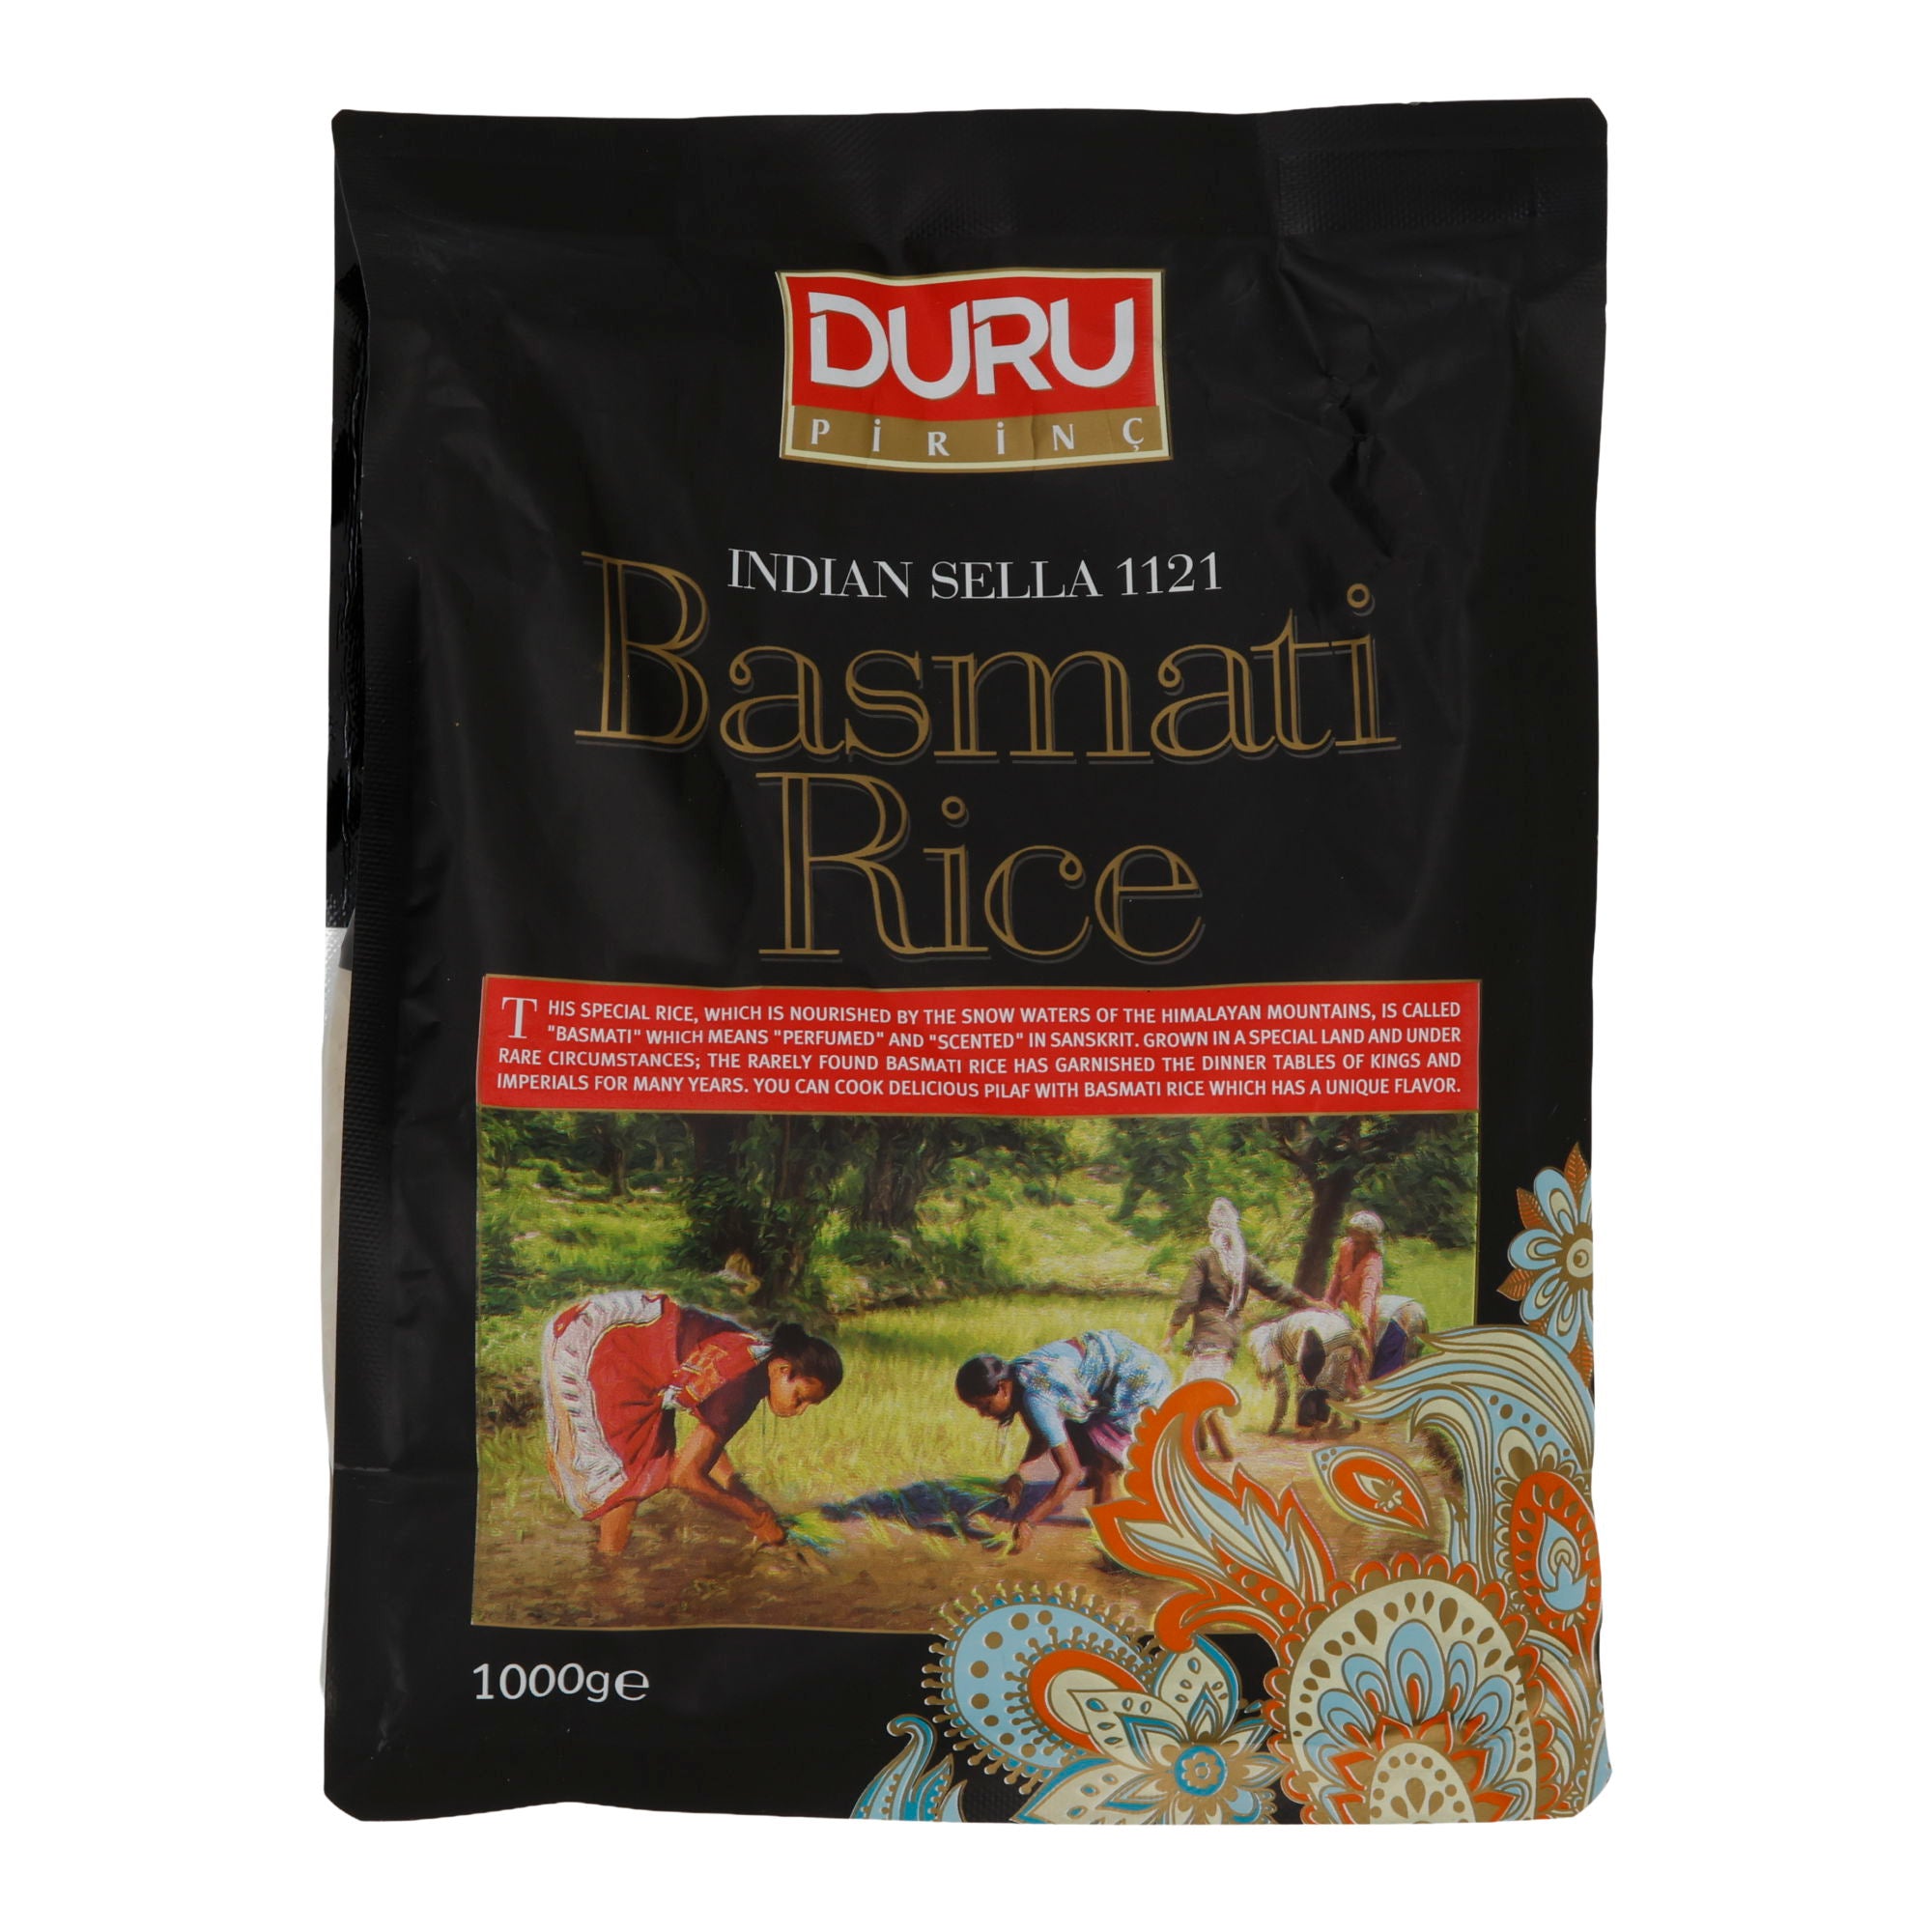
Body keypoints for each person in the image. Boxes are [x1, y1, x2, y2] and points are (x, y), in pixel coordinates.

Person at [541, 1289, 842, 1556]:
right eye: (800, 1397)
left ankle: (609, 1555)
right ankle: (609, 1568)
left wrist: (741, 1492)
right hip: (602, 1341)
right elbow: (685, 1476)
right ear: (782, 1370)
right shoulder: (742, 1384)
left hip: (619, 1327)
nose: (799, 1410)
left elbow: (706, 1448)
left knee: (646, 1453)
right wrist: (755, 1519)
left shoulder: (753, 1359)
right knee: (632, 1464)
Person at [953, 1330, 1172, 1552]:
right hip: (1123, 1368)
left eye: (985, 1405)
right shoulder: (1019, 1374)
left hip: (1140, 1381)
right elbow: (1042, 1435)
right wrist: (1020, 1472)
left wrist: (1029, 1522)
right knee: (1083, 1441)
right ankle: (1104, 1510)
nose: (983, 1414)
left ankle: (1110, 1542)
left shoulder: (1035, 1398)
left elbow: (1071, 1474)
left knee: (1105, 1465)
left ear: (1002, 1388)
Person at [1161, 1197, 1309, 1458]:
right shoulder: (1245, 1262)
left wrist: (1170, 1334)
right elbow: (1275, 1287)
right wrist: (1306, 1302)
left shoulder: (1205, 1258)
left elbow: (1188, 1300)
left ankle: (1226, 1452)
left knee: (1202, 1394)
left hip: (1208, 1335)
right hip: (1229, 1334)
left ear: (1212, 1227)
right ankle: (1200, 1446)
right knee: (1193, 1388)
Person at [1323, 1208, 1408, 1382]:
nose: (1355, 1244)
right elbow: (1337, 1277)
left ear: (1370, 1240)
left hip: (1363, 1313)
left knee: (1357, 1358)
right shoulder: (1346, 1247)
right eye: (1352, 1237)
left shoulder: (1373, 1262)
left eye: (1359, 1240)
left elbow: (1367, 1295)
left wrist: (1362, 1322)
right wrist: (1327, 1303)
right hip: (1342, 1307)